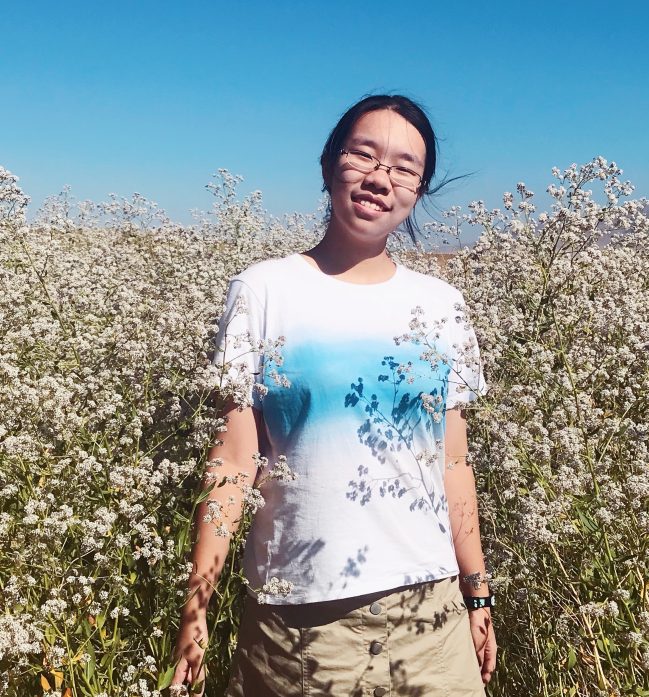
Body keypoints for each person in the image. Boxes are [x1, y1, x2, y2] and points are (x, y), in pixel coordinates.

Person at [172, 94, 497, 696]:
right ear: (329, 165)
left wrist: (477, 593)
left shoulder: (442, 306)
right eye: (363, 155)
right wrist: (198, 607)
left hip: (433, 615)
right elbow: (234, 463)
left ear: (419, 190)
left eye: (404, 167)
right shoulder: (263, 290)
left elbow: (452, 461)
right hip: (305, 621)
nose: (381, 177)